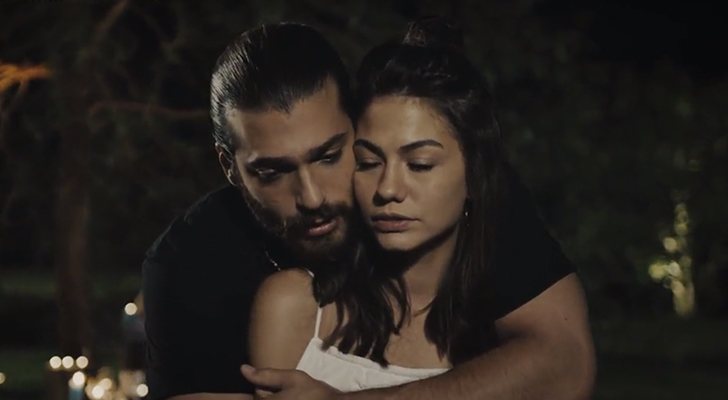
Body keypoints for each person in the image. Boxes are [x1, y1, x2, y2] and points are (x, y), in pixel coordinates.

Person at [142, 21, 594, 400]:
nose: (312, 197)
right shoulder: (191, 262)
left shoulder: (457, 191)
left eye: (329, 156)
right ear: (230, 166)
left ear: (355, 121)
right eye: (273, 171)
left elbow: (563, 362)